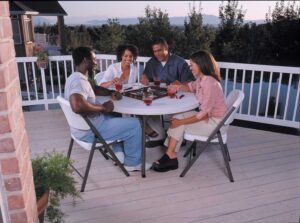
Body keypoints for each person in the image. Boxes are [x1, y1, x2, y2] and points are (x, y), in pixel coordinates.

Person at [64, 46, 150, 171]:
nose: (96, 62)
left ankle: (118, 151)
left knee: (116, 115)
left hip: (80, 128)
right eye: (94, 59)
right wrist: (103, 108)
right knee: (135, 124)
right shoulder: (79, 81)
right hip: (91, 131)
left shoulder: (74, 77)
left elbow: (94, 88)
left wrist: (110, 93)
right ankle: (132, 163)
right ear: (85, 60)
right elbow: (77, 106)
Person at [152, 50, 228, 172]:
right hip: (210, 118)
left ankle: (170, 156)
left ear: (201, 64)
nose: (190, 67)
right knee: (177, 117)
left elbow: (204, 115)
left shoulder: (210, 83)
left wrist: (181, 122)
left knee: (179, 122)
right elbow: (190, 87)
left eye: (192, 64)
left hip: (216, 124)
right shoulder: (202, 79)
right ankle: (170, 155)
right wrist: (176, 86)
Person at [140, 37, 194, 147]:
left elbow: (190, 82)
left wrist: (179, 83)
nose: (156, 54)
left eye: (159, 50)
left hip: (176, 97)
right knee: (146, 107)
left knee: (175, 113)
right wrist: (144, 76)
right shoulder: (152, 62)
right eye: (154, 51)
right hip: (159, 96)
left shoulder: (179, 62)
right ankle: (159, 135)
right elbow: (145, 74)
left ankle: (176, 137)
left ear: (166, 48)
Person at [98, 43, 159, 137]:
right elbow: (101, 85)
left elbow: (132, 85)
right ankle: (141, 127)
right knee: (132, 107)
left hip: (126, 95)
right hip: (113, 96)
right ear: (121, 56)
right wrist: (111, 82)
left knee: (140, 102)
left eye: (131, 56)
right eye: (125, 56)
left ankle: (141, 127)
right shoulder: (113, 68)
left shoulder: (134, 69)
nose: (128, 58)